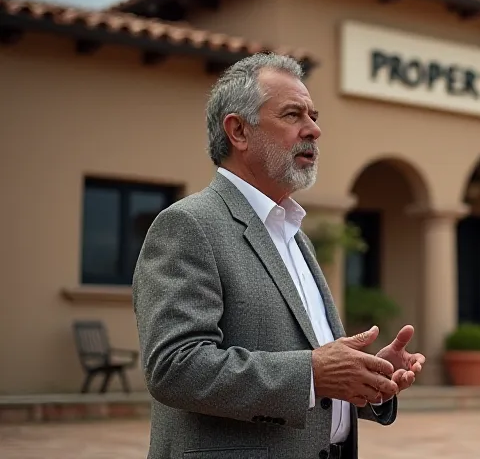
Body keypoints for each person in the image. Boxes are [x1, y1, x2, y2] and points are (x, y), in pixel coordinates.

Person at [132, 52, 425, 459]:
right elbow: (174, 366)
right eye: (293, 115)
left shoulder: (293, 235)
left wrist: (368, 378)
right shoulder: (189, 225)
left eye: (314, 115)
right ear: (238, 131)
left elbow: (317, 377)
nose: (315, 130)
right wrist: (312, 373)